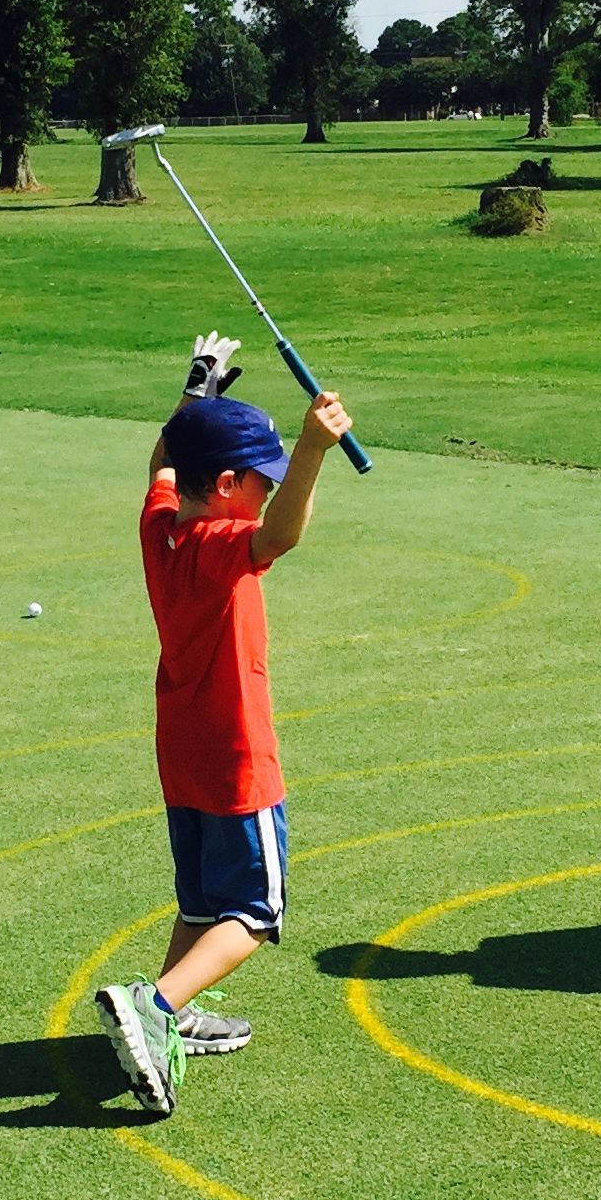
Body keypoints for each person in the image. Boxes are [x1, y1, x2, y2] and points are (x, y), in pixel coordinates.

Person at [94, 333, 354, 1113]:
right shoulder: (216, 544)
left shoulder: (163, 525)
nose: (271, 493)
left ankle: (176, 1014)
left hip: (184, 749)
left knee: (203, 901)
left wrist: (196, 391)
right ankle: (156, 1004)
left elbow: (161, 465)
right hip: (239, 751)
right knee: (253, 912)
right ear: (232, 484)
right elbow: (281, 537)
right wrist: (312, 446)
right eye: (265, 482)